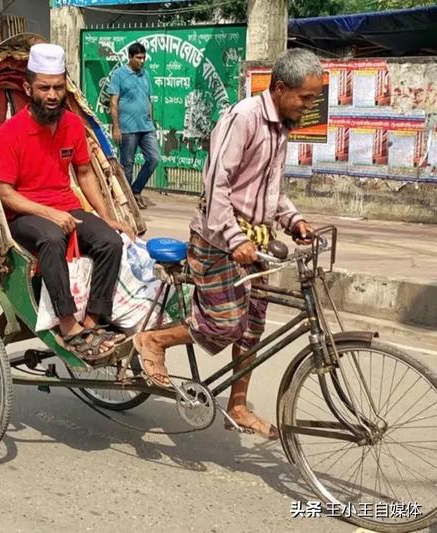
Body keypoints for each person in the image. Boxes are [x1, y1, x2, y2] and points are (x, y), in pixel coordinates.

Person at [134, 49, 322, 440]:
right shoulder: (245, 118)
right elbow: (217, 184)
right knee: (224, 325)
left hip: (257, 242)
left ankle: (237, 407)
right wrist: (234, 237)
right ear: (281, 88)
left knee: (252, 329)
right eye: (305, 97)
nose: (310, 105)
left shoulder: (281, 126)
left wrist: (293, 219)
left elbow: (270, 188)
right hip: (217, 239)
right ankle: (154, 339)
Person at [0, 43, 135, 362]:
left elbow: (84, 173)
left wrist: (105, 215)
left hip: (66, 206)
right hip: (25, 214)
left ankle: (93, 321)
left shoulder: (72, 124)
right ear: (29, 88)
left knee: (110, 241)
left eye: (58, 87)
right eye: (44, 88)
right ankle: (68, 325)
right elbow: (5, 193)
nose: (53, 95)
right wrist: (50, 213)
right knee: (52, 237)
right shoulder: (9, 133)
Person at [108, 42, 160, 210]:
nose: (142, 61)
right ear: (130, 57)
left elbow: (148, 99)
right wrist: (116, 127)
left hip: (146, 127)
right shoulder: (119, 74)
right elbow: (113, 102)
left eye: (144, 58)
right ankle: (127, 200)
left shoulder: (146, 74)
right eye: (138, 58)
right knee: (127, 165)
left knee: (153, 159)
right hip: (127, 128)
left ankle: (136, 190)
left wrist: (152, 121)